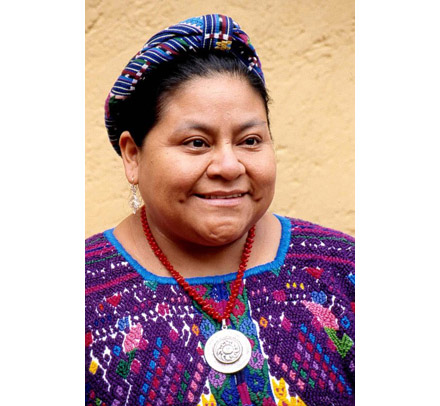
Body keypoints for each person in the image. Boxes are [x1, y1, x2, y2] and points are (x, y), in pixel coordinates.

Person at [85, 14, 354, 406]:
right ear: (133, 155)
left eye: (249, 140)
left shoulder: (345, 272)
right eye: (196, 142)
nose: (229, 167)